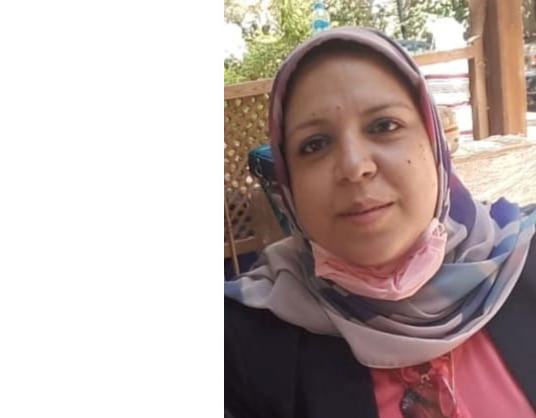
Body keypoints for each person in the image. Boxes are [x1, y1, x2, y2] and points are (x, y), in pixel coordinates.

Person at [224, 26, 536, 418]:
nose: (355, 166)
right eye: (314, 144)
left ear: (433, 143)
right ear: (289, 184)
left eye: (384, 125)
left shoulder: (524, 263)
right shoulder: (242, 343)